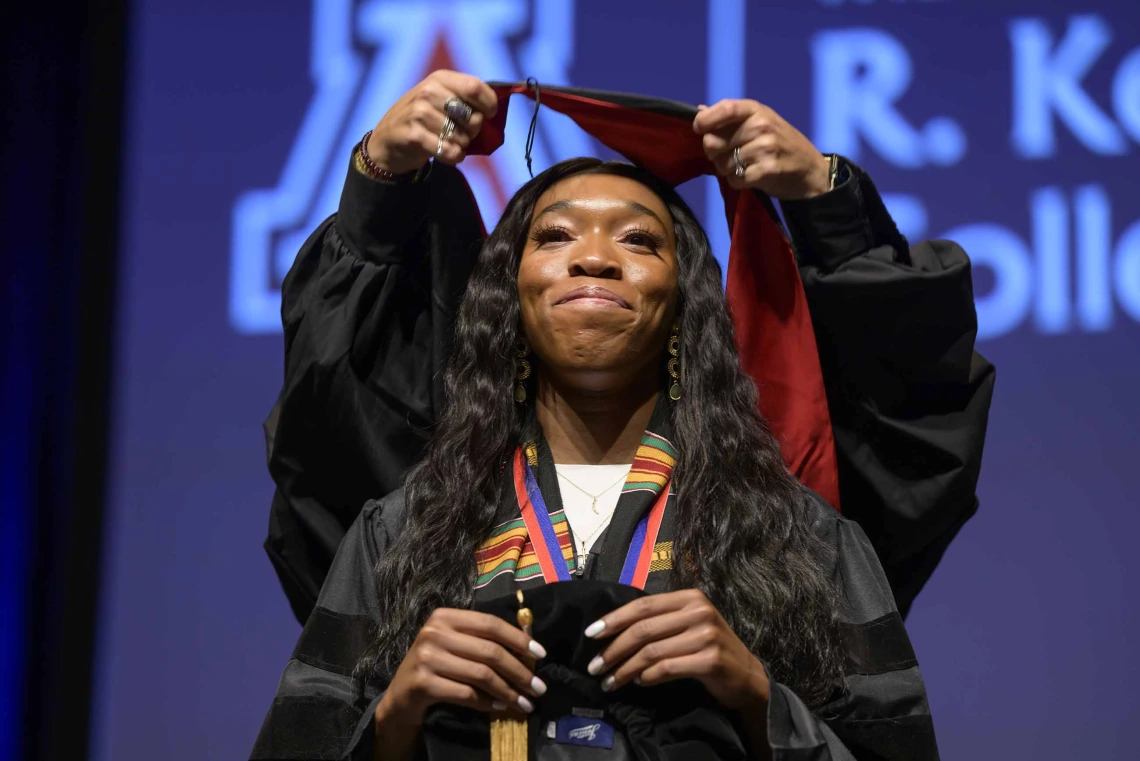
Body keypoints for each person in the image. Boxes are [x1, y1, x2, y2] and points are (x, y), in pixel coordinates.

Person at [252, 72, 993, 760]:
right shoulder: (406, 528)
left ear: (686, 308)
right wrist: (394, 719)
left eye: (639, 240)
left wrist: (756, 694)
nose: (595, 259)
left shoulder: (794, 533)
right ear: (504, 300)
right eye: (554, 236)